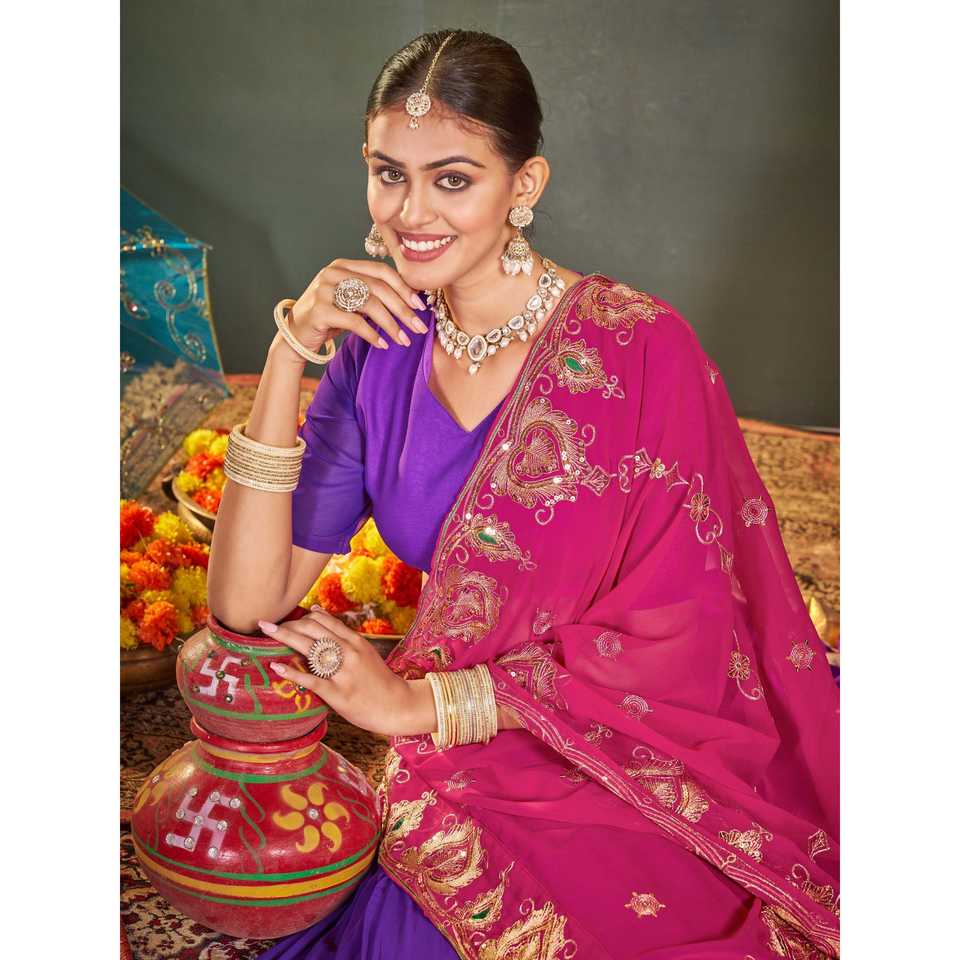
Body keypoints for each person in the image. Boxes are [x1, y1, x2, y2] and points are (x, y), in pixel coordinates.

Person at [207, 29, 840, 960]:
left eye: (452, 179)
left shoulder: (640, 351)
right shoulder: (379, 354)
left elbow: (689, 635)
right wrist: (289, 349)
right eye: (388, 174)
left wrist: (417, 708)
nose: (411, 213)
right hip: (474, 767)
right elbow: (245, 602)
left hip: (646, 747)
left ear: (525, 185)